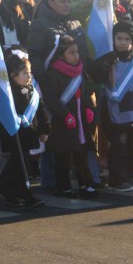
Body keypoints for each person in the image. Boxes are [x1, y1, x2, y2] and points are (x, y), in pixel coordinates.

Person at [91, 21, 133, 191]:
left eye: (127, 39)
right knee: (118, 148)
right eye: (119, 38)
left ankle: (130, 174)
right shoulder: (108, 59)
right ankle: (117, 179)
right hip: (115, 114)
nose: (123, 42)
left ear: (132, 41)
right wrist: (105, 64)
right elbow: (96, 77)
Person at [42, 36, 98, 198]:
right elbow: (51, 98)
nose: (76, 56)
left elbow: (85, 92)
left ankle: (85, 183)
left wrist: (88, 107)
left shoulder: (80, 71)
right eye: (71, 52)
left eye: (77, 52)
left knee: (81, 152)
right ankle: (63, 185)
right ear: (61, 55)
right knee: (63, 156)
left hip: (79, 119)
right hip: (63, 121)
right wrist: (65, 115)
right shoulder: (54, 73)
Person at [0, 48, 51, 208]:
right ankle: (23, 192)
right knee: (20, 164)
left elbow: (40, 112)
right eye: (25, 73)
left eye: (30, 73)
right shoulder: (8, 95)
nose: (29, 76)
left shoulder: (32, 91)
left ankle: (8, 187)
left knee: (19, 163)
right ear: (13, 76)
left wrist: (44, 129)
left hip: (29, 134)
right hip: (14, 135)